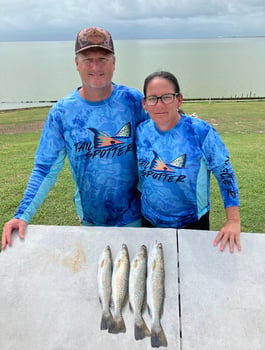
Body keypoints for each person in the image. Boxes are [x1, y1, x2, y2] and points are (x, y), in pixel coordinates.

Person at [2, 27, 147, 250]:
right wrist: (22, 215)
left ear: (114, 62)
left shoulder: (133, 101)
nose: (96, 66)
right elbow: (45, 168)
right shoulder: (62, 113)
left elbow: (160, 141)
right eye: (88, 59)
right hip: (89, 218)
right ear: (76, 63)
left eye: (103, 58)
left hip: (134, 216)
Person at [136, 71, 241, 252]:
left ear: (179, 99)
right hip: (149, 220)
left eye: (167, 97)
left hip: (192, 222)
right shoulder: (141, 132)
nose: (160, 104)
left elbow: (225, 174)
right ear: (145, 103)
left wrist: (233, 220)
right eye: (153, 98)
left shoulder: (200, 132)